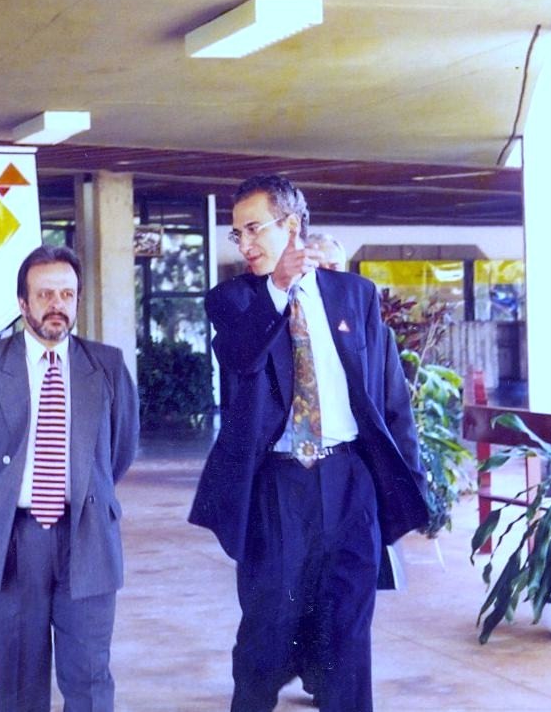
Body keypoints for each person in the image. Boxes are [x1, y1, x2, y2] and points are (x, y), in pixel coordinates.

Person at [189, 175, 429, 712]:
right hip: (278, 487)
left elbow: (390, 398)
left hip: (350, 482)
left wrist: (407, 486)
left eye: (254, 228)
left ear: (292, 225)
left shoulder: (355, 296)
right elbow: (241, 356)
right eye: (237, 234)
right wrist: (277, 288)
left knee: (348, 637)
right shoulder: (234, 300)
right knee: (267, 631)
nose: (245, 243)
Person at [0, 244, 138, 712]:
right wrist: (6, 493)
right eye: (45, 294)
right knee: (19, 679)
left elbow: (119, 452)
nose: (57, 304)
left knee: (90, 677)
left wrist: (82, 489)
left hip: (87, 536)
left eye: (67, 294)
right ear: (23, 302)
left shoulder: (107, 365)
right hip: (13, 540)